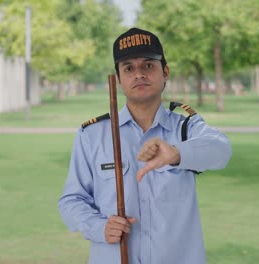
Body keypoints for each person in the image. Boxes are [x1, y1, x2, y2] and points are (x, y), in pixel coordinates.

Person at [58, 27, 232, 264]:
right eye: (129, 68)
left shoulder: (186, 127)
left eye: (148, 65)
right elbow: (71, 200)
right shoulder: (93, 134)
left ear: (165, 72)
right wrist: (99, 227)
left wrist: (176, 153)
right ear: (119, 80)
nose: (139, 74)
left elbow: (221, 150)